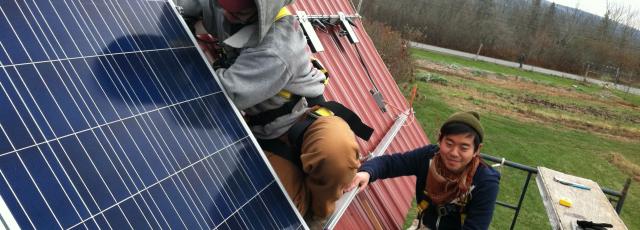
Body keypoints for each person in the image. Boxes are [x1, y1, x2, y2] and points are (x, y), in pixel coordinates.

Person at [177, 0, 372, 226]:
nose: (227, 15)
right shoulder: (223, 9)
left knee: (336, 152)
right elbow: (193, 4)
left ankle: (320, 212)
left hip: (306, 119)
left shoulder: (277, 48)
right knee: (263, 206)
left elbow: (224, 93)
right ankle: (298, 202)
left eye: (239, 9)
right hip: (265, 135)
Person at [349, 111, 500, 230]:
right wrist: (367, 173)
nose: (454, 153)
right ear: (440, 140)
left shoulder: (485, 182)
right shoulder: (428, 157)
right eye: (449, 143)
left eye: (464, 147)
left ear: (476, 150)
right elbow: (390, 163)